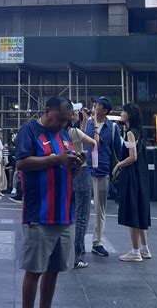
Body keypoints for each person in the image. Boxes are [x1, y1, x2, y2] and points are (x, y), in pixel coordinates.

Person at [16, 96, 84, 308]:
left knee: (53, 270)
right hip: (39, 214)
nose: (63, 123)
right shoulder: (29, 131)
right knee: (34, 271)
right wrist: (56, 159)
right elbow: (21, 163)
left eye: (66, 120)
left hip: (64, 214)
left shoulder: (63, 135)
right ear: (47, 111)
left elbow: (68, 171)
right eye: (60, 118)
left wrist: (76, 165)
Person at [112, 103, 151, 262]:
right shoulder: (139, 132)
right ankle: (144, 249)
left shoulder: (130, 133)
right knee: (140, 210)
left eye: (124, 111)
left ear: (130, 115)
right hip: (141, 176)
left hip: (131, 176)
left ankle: (135, 252)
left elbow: (132, 156)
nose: (121, 113)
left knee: (132, 211)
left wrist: (118, 165)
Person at [85, 96, 122, 257]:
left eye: (98, 105)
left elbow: (118, 151)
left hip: (102, 170)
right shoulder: (87, 123)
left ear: (105, 110)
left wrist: (116, 169)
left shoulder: (112, 127)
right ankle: (79, 241)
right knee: (82, 208)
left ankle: (97, 241)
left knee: (100, 209)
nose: (95, 106)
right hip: (86, 170)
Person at [68, 104, 98, 269]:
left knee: (71, 213)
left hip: (69, 173)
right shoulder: (75, 132)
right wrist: (96, 128)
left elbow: (80, 133)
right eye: (76, 112)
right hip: (82, 170)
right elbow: (94, 143)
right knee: (82, 216)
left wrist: (85, 120)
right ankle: (77, 255)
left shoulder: (64, 133)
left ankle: (70, 252)